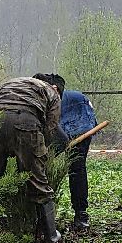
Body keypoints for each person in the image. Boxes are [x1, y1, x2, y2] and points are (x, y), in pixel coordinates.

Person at [0, 75, 64, 243]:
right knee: (38, 181)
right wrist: (39, 153)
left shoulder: (11, 82)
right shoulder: (53, 94)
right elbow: (50, 128)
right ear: (55, 88)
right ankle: (51, 236)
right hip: (25, 121)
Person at [38, 74, 98, 233]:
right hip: (58, 126)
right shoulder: (39, 96)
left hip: (80, 125)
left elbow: (59, 134)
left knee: (76, 167)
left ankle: (81, 213)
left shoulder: (69, 99)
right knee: (41, 166)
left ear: (54, 89)